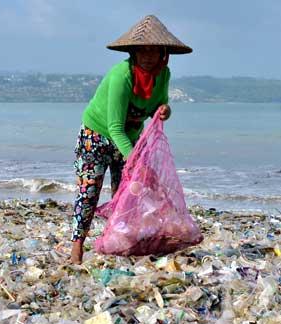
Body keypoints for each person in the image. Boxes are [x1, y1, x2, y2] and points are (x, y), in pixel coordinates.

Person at [69, 15, 192, 264]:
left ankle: (119, 243)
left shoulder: (163, 74)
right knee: (89, 191)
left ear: (163, 54)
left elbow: (159, 104)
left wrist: (166, 110)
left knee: (127, 193)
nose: (148, 56)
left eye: (154, 51)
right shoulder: (122, 76)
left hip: (129, 137)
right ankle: (77, 246)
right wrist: (136, 160)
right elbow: (115, 127)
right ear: (133, 52)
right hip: (96, 137)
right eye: (142, 50)